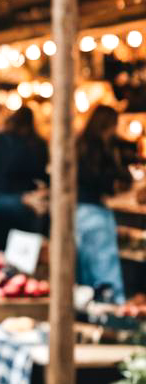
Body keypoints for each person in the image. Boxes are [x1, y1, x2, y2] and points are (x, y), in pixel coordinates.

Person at [75, 103, 132, 302]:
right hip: (94, 211)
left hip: (77, 211)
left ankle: (89, 308)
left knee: (85, 268)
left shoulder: (78, 143)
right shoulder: (99, 148)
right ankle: (112, 311)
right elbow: (105, 179)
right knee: (104, 268)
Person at [0, 106, 48, 254]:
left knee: (0, 247)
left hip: (1, 202)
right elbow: (41, 175)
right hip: (26, 204)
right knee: (24, 251)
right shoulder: (38, 143)